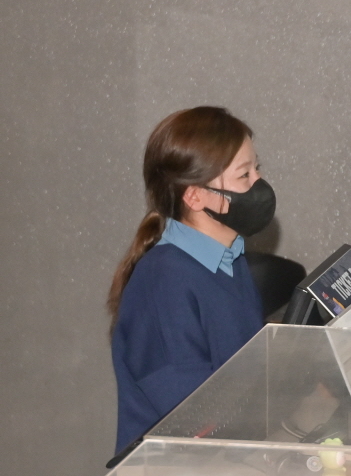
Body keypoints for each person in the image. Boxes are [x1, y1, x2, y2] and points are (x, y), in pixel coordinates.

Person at [110, 107, 274, 456]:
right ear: (195, 195)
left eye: (257, 169)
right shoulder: (164, 282)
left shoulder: (231, 259)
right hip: (173, 475)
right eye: (244, 175)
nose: (259, 183)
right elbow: (192, 413)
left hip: (226, 463)